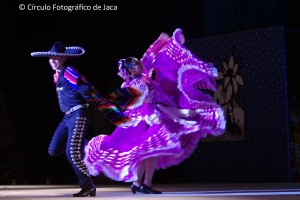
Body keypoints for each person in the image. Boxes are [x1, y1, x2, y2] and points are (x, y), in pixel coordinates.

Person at [84, 29, 226, 194]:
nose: (139, 65)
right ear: (130, 70)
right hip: (147, 119)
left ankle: (143, 184)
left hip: (158, 112)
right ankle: (141, 183)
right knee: (148, 151)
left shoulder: (143, 75)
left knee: (153, 151)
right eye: (136, 64)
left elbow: (149, 56)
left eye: (138, 63)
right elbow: (118, 102)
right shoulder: (131, 86)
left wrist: (164, 42)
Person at [30, 41, 131, 197]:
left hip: (79, 114)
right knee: (53, 150)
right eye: (51, 58)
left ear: (64, 58)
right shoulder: (58, 75)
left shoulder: (68, 70)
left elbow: (85, 88)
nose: (52, 60)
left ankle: (88, 186)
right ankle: (84, 147)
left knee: (72, 153)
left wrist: (105, 107)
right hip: (67, 117)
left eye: (56, 58)